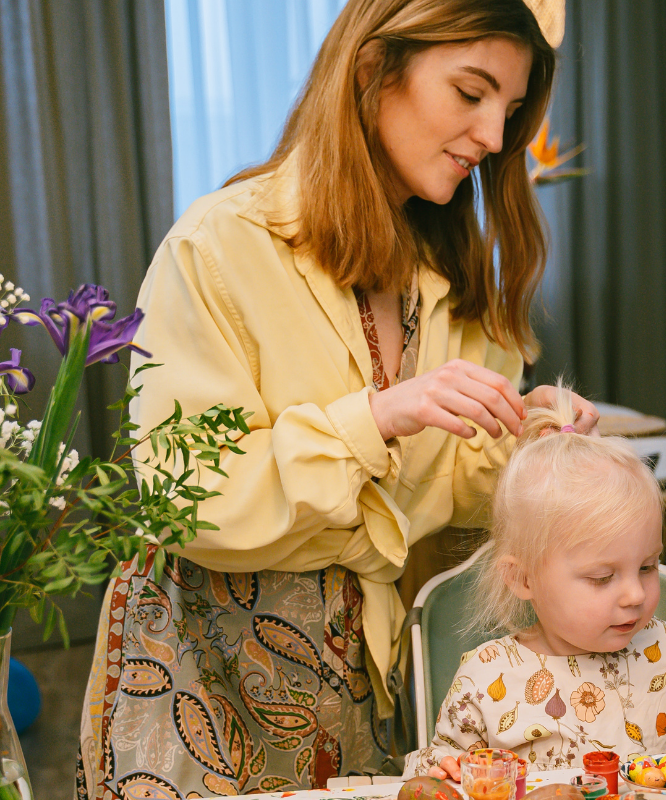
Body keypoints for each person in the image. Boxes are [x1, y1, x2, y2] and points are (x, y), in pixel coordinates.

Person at [76, 1, 600, 796]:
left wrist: (529, 444)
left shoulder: (454, 276)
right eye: (471, 93)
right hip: (204, 670)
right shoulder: (217, 248)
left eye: (513, 109)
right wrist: (378, 416)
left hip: (364, 679)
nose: (496, 137)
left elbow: (453, 495)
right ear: (372, 71)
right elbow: (185, 496)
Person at [402, 386, 666, 778]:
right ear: (522, 578)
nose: (635, 594)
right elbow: (439, 764)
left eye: (647, 567)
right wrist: (444, 767)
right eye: (602, 577)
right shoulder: (485, 675)